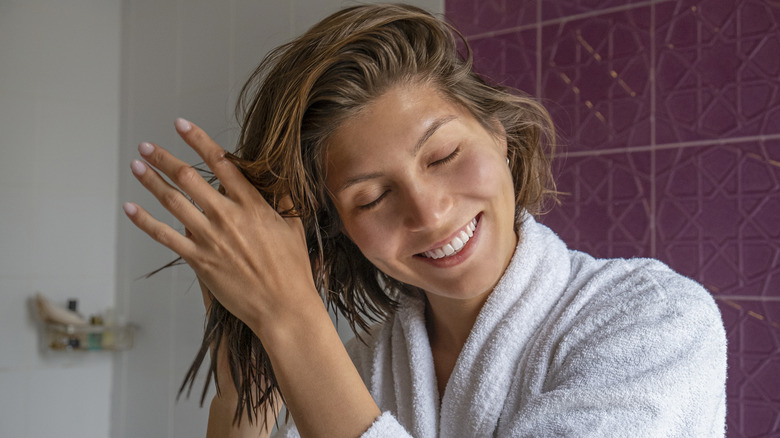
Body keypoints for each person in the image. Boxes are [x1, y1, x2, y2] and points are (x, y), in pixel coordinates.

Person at [122, 3, 727, 437]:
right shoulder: (360, 370)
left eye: (444, 155)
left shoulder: (655, 319)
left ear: (502, 136)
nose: (429, 211)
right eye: (370, 198)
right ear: (340, 230)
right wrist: (248, 382)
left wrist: (291, 317)